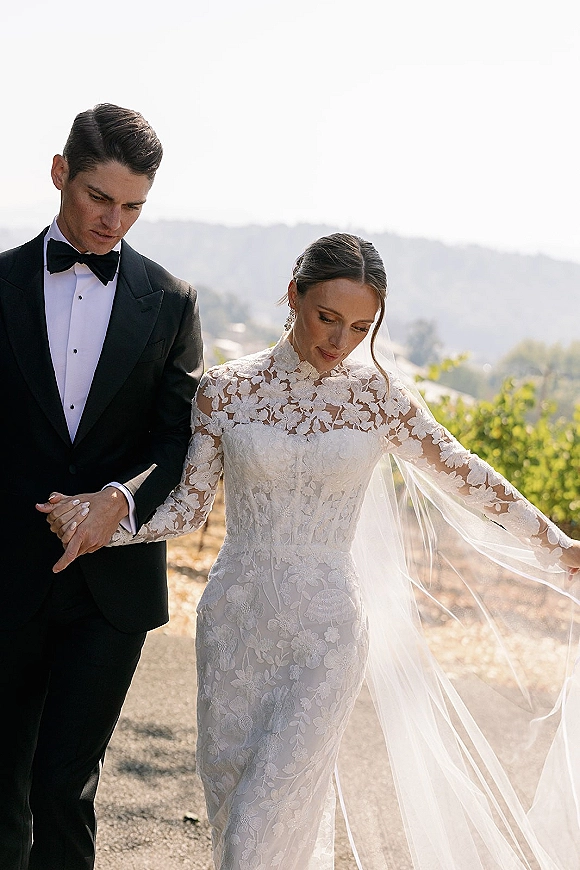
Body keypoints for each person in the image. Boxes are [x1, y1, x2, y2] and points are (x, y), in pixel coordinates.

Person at [48, 233, 580, 869]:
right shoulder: (224, 391)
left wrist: (558, 544)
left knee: (256, 826)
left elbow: (466, 475)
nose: (340, 341)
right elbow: (188, 509)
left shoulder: (377, 400)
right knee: (237, 823)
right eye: (328, 317)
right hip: (234, 629)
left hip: (326, 636)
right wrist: (106, 525)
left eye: (360, 327)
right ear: (293, 295)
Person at [0, 103, 203, 870]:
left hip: (111, 587)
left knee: (64, 788)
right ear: (60, 174)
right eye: (98, 198)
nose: (112, 221)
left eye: (132, 206)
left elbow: (177, 438)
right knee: (2, 793)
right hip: (6, 573)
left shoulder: (172, 300)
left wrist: (115, 502)